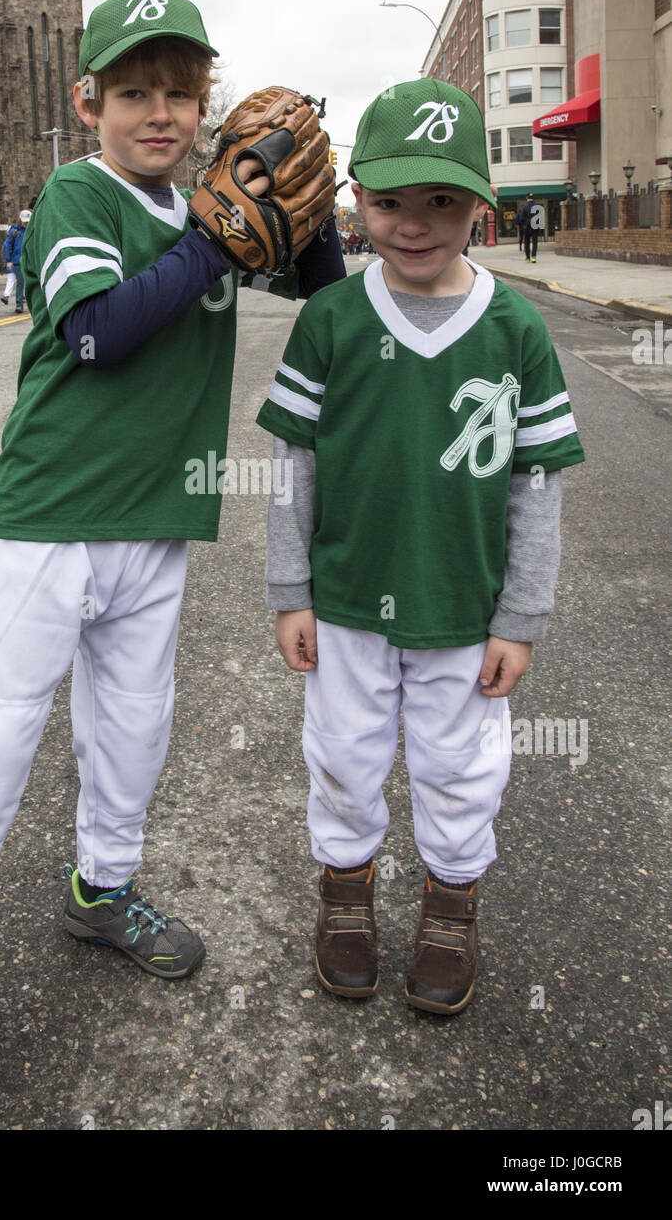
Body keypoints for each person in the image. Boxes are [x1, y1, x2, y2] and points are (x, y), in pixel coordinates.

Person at [0, 0, 344, 1131]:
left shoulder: (209, 205)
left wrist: (311, 211)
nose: (159, 113)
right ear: (90, 100)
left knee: (132, 733)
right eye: (134, 91)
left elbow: (327, 305)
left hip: (155, 527)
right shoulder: (78, 191)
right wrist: (213, 235)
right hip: (47, 522)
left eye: (180, 94)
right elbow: (95, 331)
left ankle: (101, 888)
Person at [257, 78, 584, 1013]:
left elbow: (537, 484)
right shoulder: (331, 320)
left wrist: (522, 615)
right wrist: (291, 589)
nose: (414, 223)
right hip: (350, 596)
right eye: (392, 199)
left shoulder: (519, 329)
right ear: (356, 200)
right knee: (344, 755)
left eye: (442, 199)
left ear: (480, 204)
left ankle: (450, 904)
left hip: (463, 606)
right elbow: (295, 466)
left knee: (460, 767)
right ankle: (346, 895)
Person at [2, 210, 31, 311]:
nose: (26, 223)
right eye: (24, 221)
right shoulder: (15, 231)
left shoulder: (32, 231)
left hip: (30, 260)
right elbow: (8, 245)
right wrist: (8, 260)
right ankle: (19, 304)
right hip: (18, 260)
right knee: (20, 282)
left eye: (27, 222)